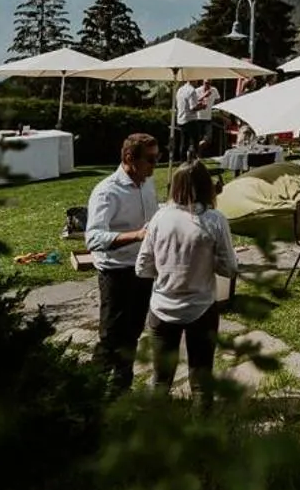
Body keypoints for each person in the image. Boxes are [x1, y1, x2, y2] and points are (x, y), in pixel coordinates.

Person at [137, 161, 238, 402]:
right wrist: (205, 261)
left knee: (160, 379)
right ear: (207, 187)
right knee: (202, 380)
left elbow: (142, 267)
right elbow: (230, 268)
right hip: (201, 307)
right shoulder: (214, 220)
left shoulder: (159, 218)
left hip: (162, 307)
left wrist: (167, 269)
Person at [86, 133, 161, 391]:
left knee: (132, 335)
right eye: (151, 159)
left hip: (143, 269)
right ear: (130, 158)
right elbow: (93, 237)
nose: (155, 165)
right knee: (110, 338)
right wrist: (137, 235)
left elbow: (155, 215)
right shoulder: (107, 191)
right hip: (116, 273)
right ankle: (87, 394)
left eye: (157, 158)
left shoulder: (147, 183)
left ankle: (120, 390)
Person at [172, 79, 197, 162]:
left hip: (181, 118)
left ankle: (182, 161)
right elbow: (192, 107)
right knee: (193, 142)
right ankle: (192, 161)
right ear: (194, 80)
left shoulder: (180, 89)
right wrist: (201, 106)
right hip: (190, 119)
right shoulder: (192, 90)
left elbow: (178, 104)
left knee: (183, 142)